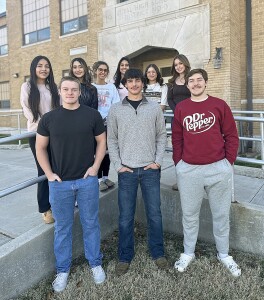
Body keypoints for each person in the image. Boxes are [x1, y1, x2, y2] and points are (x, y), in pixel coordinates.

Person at [36, 76, 106, 292]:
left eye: (73, 89)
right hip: (59, 184)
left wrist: (95, 168)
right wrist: (48, 174)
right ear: (60, 91)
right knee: (63, 228)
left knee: (91, 223)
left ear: (79, 92)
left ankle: (95, 264)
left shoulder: (92, 115)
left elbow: (102, 142)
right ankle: (63, 270)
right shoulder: (48, 119)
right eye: (65, 89)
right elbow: (40, 148)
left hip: (87, 181)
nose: (69, 92)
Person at [172, 68, 241, 277]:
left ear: (206, 82)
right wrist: (179, 164)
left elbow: (231, 135)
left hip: (217, 168)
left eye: (199, 80)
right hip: (189, 170)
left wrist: (227, 163)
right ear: (187, 85)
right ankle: (188, 252)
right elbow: (176, 138)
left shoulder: (219, 105)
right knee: (190, 215)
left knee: (221, 214)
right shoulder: (182, 108)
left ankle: (224, 254)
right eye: (191, 81)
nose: (195, 83)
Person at [107, 68, 168, 276]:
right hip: (127, 171)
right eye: (130, 81)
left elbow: (161, 136)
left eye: (137, 81)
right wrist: (117, 165)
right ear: (125, 84)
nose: (134, 84)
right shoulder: (116, 109)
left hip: (150, 169)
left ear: (143, 83)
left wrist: (158, 161)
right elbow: (111, 140)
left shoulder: (154, 108)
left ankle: (158, 252)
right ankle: (125, 256)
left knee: (155, 214)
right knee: (125, 217)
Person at [20, 55, 60, 224]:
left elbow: (58, 109)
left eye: (47, 66)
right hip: (37, 134)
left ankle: (57, 203)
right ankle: (45, 209)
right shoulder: (27, 86)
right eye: (40, 66)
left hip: (56, 134)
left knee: (58, 168)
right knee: (44, 171)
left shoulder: (53, 87)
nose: (44, 69)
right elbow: (27, 109)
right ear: (34, 68)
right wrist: (44, 126)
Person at [92, 61, 120, 191]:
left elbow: (115, 104)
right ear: (95, 71)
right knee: (98, 151)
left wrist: (110, 118)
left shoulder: (111, 87)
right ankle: (98, 180)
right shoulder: (91, 87)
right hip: (96, 123)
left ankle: (105, 177)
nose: (102, 72)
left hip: (109, 123)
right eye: (100, 70)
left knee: (108, 152)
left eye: (105, 70)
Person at [167, 54, 191, 191]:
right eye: (176, 65)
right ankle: (180, 179)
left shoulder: (191, 78)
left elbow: (195, 95)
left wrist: (186, 112)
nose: (178, 66)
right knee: (178, 149)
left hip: (191, 118)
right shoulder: (171, 82)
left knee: (191, 148)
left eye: (180, 63)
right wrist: (178, 112)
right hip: (177, 118)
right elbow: (170, 99)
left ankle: (193, 179)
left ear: (185, 64)